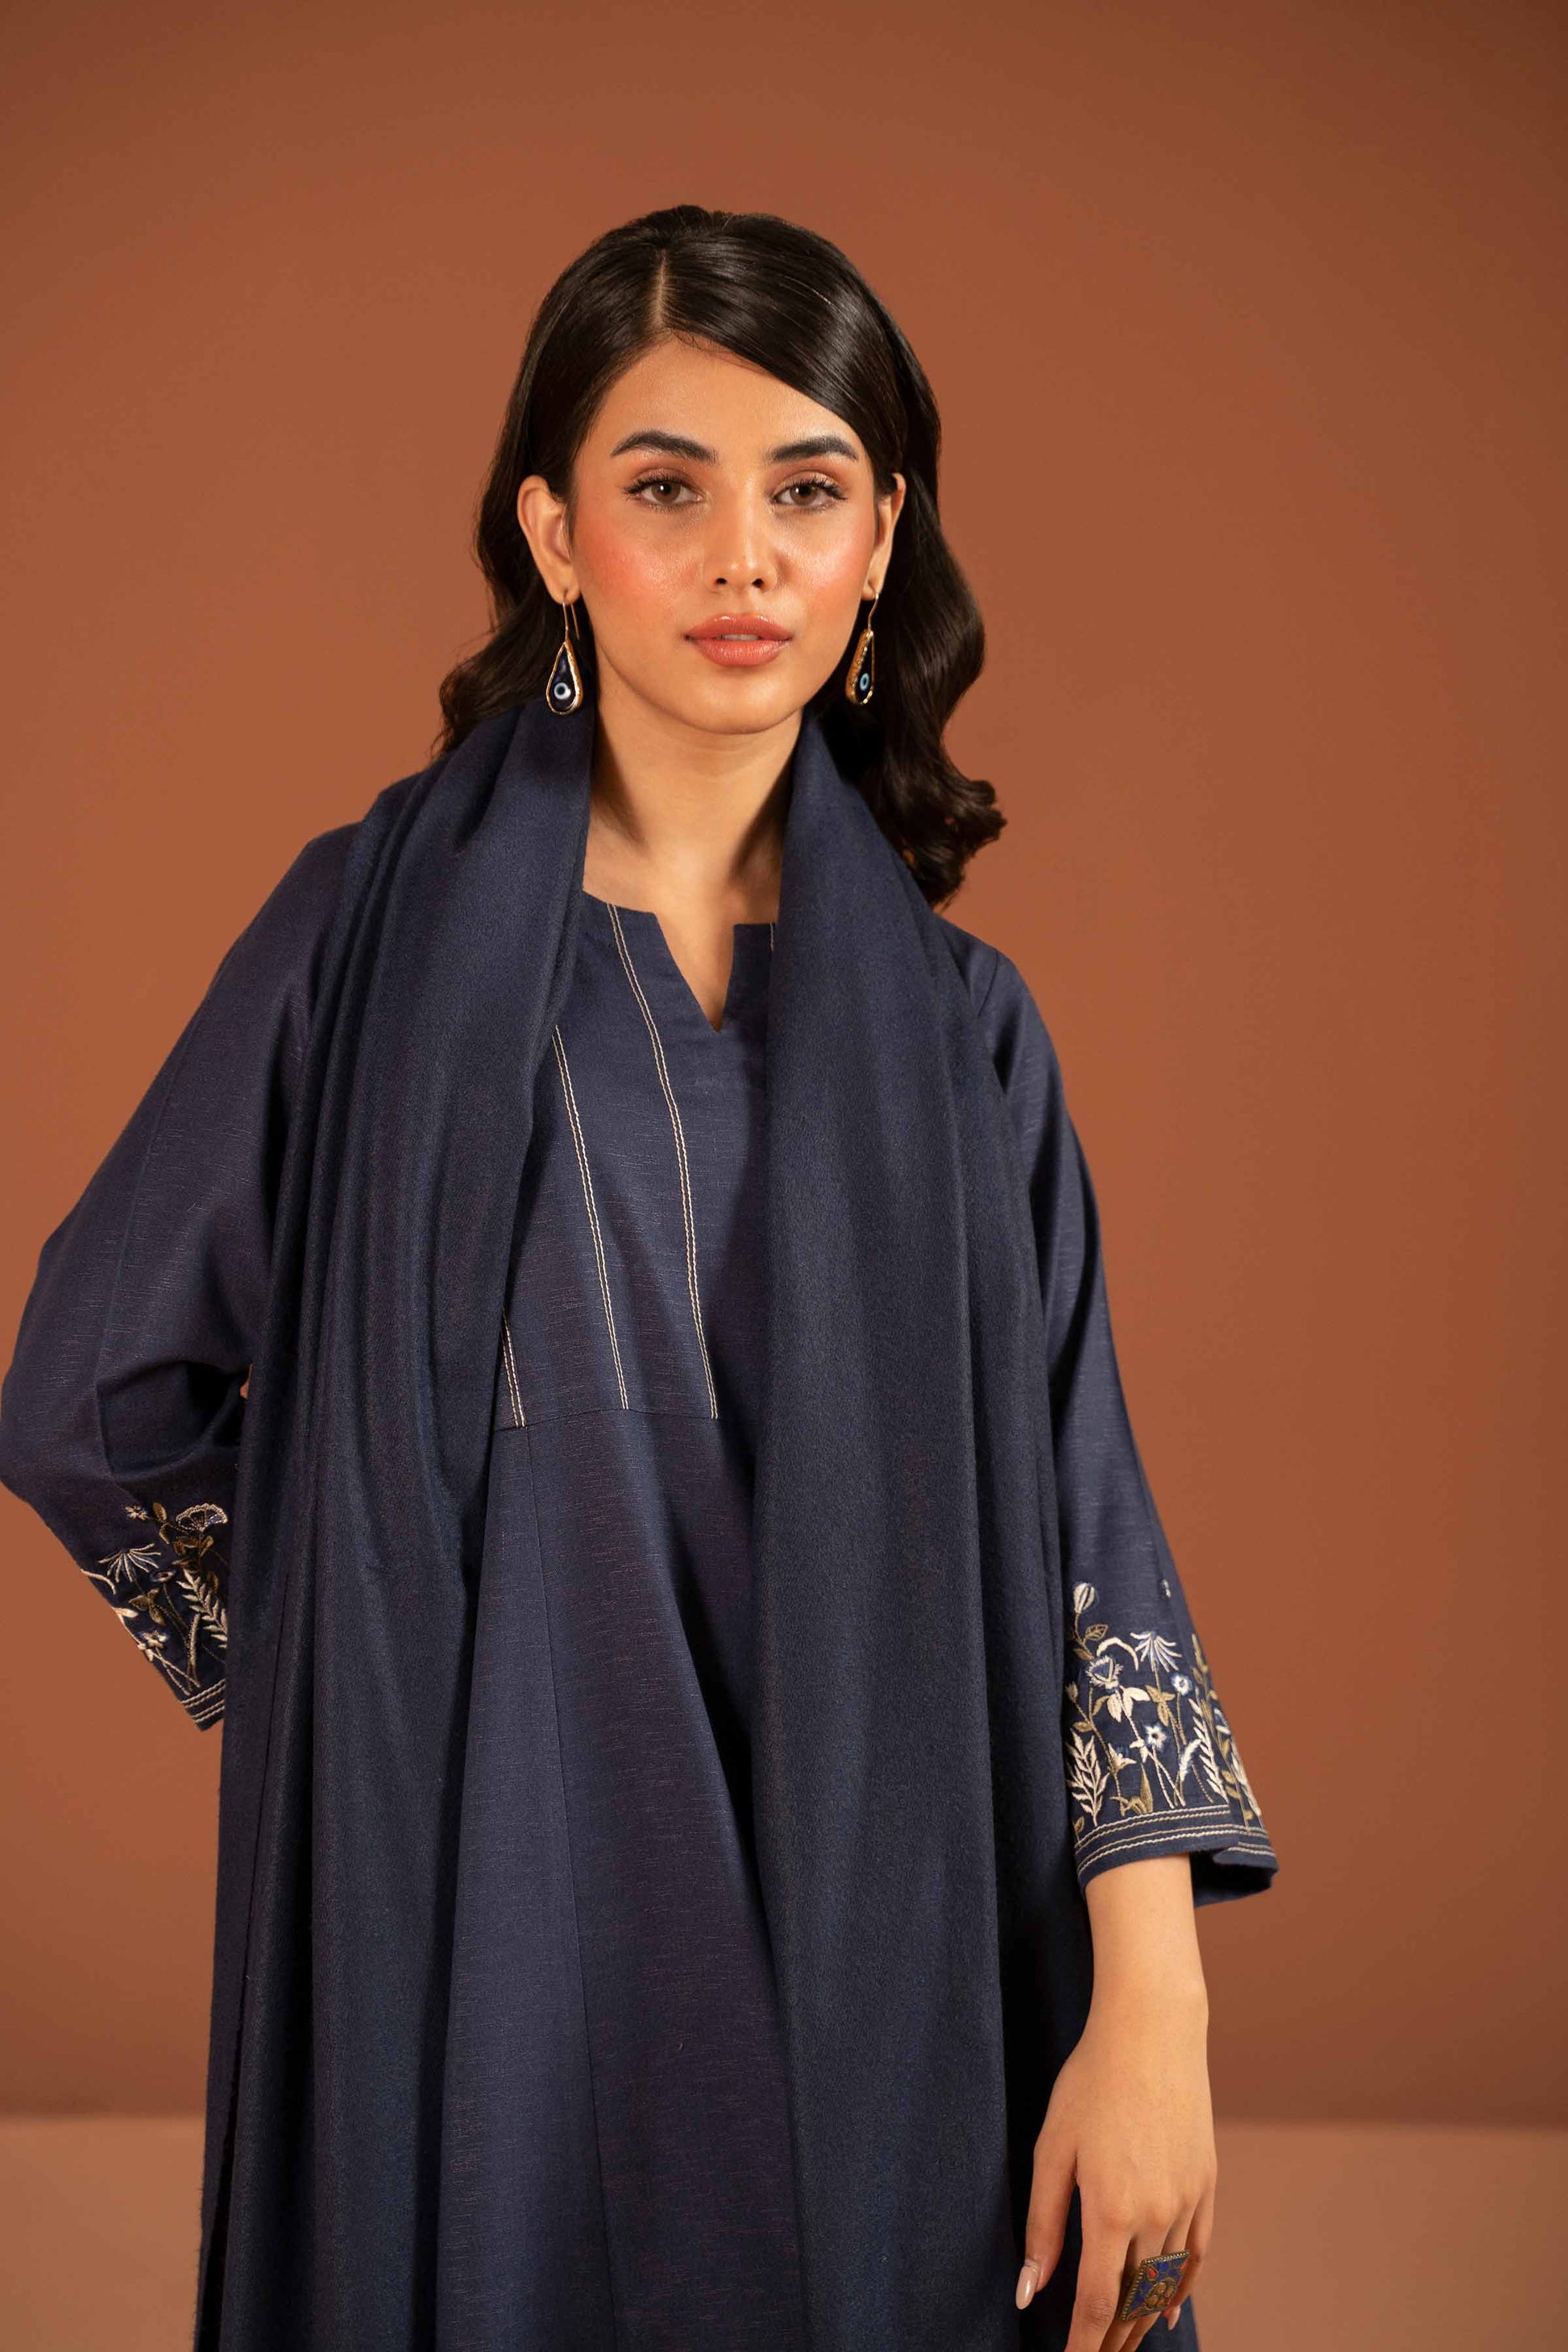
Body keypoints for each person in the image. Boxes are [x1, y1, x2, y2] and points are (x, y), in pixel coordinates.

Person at [0, 205, 1277, 2352]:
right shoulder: (360, 941)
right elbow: (84, 1395)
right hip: (503, 1936)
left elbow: (1089, 1541)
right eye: (667, 489)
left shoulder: (965, 1032)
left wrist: (1157, 2015)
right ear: (553, 535)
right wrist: (349, 1660)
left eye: (808, 491)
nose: (743, 559)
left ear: (881, 542)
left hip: (906, 1942)